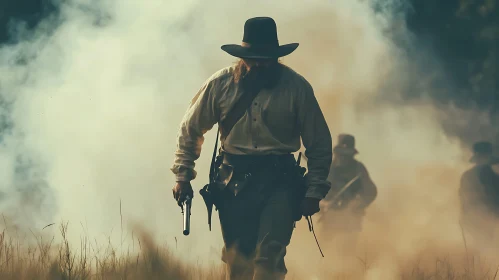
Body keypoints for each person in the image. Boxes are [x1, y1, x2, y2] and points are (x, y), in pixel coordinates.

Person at [171, 17, 332, 280]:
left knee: (270, 255)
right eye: (253, 57)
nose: (259, 64)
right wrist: (182, 176)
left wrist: (314, 190)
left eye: (265, 58)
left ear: (276, 57)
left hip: (280, 182)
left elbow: (319, 143)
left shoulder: (296, 88)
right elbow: (190, 130)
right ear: (243, 56)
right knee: (238, 261)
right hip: (232, 181)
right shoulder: (220, 84)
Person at [318, 134, 377, 252]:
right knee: (324, 252)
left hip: (350, 220)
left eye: (347, 155)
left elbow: (371, 191)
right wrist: (324, 204)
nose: (343, 158)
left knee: (348, 254)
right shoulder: (326, 168)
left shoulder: (358, 168)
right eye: (341, 154)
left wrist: (358, 204)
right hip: (330, 218)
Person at [459, 141, 499, 246]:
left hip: (473, 219)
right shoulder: (494, 177)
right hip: (485, 220)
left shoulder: (466, 176)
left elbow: (462, 199)